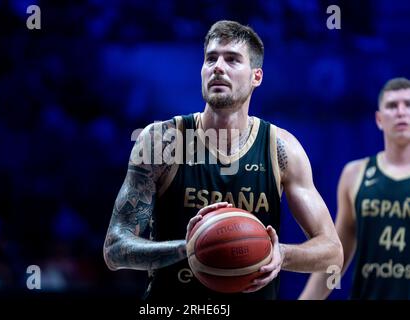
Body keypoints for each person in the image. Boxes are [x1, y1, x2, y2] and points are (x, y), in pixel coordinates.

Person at [103, 20, 342, 301]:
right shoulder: (162, 140)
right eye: (210, 58)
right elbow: (115, 249)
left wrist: (282, 254)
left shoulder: (282, 148)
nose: (218, 66)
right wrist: (189, 248)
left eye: (232, 60)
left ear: (257, 76)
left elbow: (332, 250)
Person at [299, 77, 410, 300]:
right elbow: (335, 261)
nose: (401, 112)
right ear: (379, 119)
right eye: (391, 106)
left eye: (408, 105)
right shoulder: (354, 174)